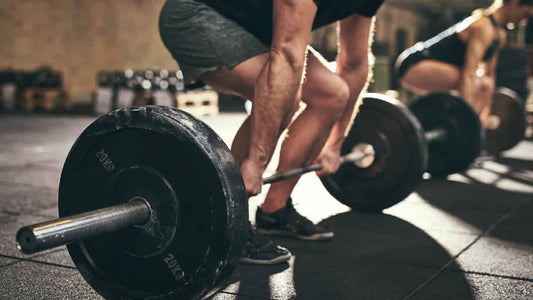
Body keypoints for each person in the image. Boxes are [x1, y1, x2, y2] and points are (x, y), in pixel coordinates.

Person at [159, 0, 383, 264]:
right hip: (197, 15)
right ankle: (223, 221)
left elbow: (354, 63)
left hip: (255, 29)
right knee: (286, 94)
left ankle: (275, 210)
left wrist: (337, 141)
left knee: (332, 94)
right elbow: (287, 55)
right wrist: (255, 163)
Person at [395, 0, 532, 127]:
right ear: (514, 3)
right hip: (413, 64)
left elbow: (490, 75)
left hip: (439, 69)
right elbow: (469, 73)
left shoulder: (499, 35)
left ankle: (471, 123)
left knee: (485, 83)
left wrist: (485, 115)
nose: (524, 21)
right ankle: (465, 122)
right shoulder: (483, 27)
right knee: (476, 82)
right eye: (525, 14)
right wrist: (467, 118)